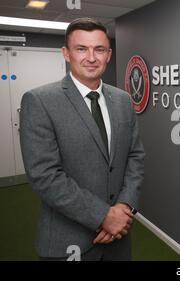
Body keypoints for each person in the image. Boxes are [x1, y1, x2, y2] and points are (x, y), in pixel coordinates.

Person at [20, 17, 145, 261]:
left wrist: (124, 208)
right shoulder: (40, 101)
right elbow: (44, 175)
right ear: (66, 53)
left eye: (99, 49)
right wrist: (104, 216)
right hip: (68, 242)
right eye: (81, 49)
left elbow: (135, 156)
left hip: (118, 239)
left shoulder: (123, 100)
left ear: (108, 55)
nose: (91, 57)